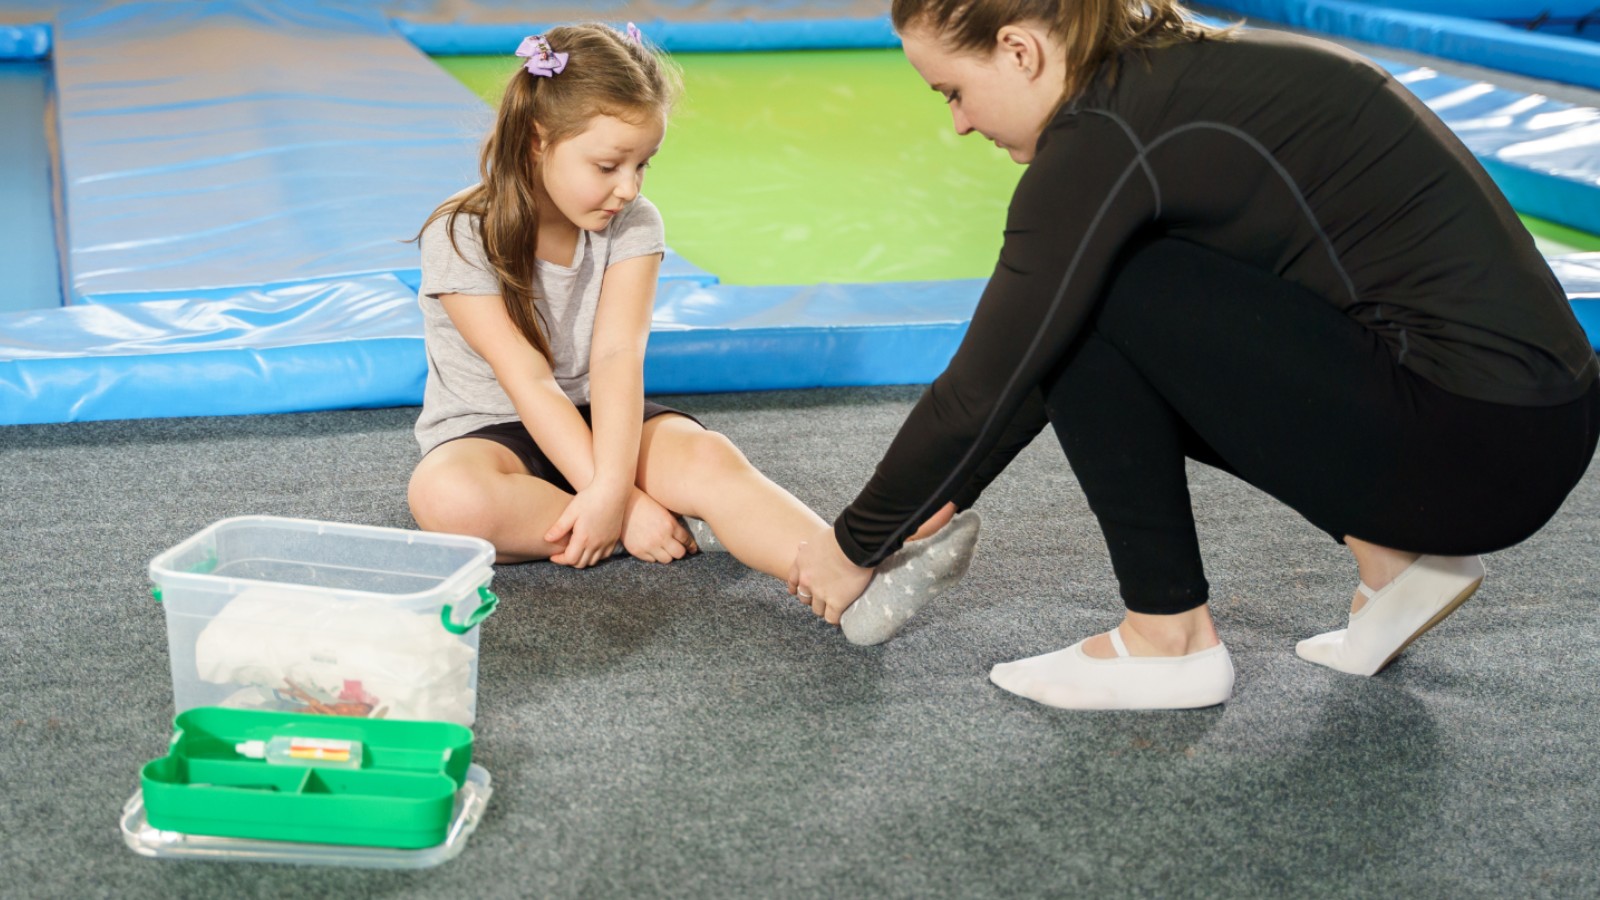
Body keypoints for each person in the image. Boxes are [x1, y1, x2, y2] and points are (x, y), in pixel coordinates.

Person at [788, 0, 1600, 709]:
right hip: (1529, 427)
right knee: (1104, 287)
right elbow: (1047, 371)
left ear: (1020, 49)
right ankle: (1393, 565)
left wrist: (850, 544)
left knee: (1105, 285)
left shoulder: (1100, 136)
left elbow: (986, 381)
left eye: (953, 92)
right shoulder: (1169, 81)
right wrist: (941, 494)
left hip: (1469, 445)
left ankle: (1166, 640)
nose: (958, 122)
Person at [407, 24, 980, 619]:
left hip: (607, 421)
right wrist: (621, 502)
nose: (628, 188)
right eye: (607, 165)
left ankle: (859, 582)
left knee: (710, 459)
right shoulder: (460, 231)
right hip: (489, 434)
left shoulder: (633, 223)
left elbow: (615, 358)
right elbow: (527, 379)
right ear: (535, 141)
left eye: (643, 165)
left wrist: (614, 484)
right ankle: (674, 527)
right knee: (448, 500)